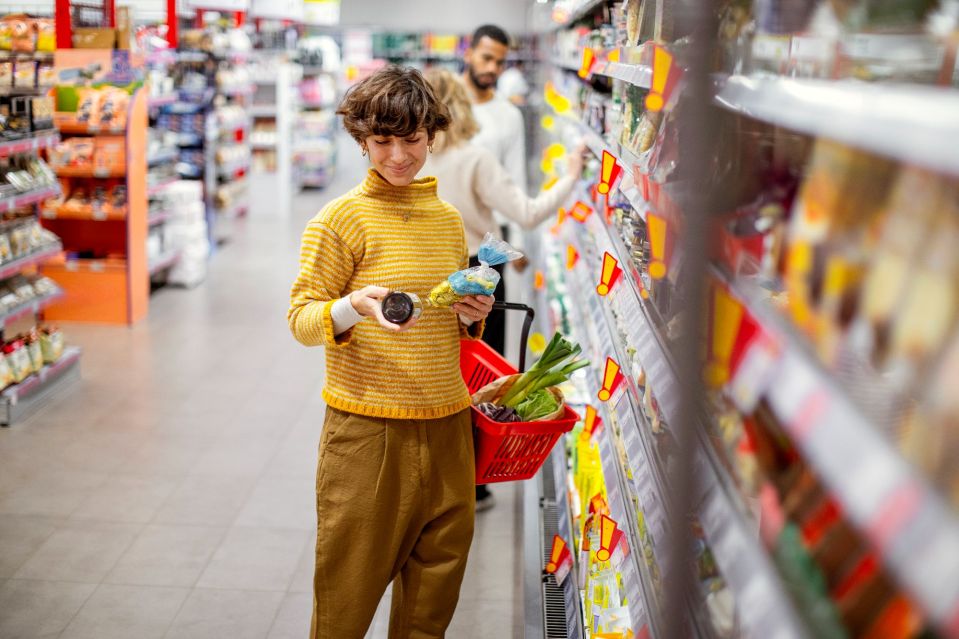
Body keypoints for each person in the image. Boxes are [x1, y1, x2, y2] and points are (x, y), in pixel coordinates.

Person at [288, 65, 494, 639]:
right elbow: (301, 319)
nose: (398, 155)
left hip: (450, 427)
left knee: (432, 608)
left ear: (433, 134)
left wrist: (470, 319)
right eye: (382, 141)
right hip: (367, 434)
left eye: (411, 139)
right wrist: (353, 305)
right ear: (361, 141)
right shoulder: (339, 220)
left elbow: (446, 318)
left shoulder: (449, 220)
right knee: (344, 608)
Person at [422, 69, 584, 513]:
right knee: (482, 382)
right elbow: (528, 214)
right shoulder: (474, 158)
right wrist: (570, 176)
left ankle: (431, 478)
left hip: (427, 274)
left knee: (437, 372)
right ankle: (472, 484)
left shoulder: (411, 160)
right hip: (477, 272)